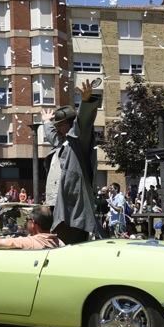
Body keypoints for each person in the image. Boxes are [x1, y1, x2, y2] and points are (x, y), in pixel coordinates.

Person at [42, 79, 103, 244]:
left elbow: (83, 122)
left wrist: (86, 102)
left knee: (70, 245)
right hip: (56, 203)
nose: (57, 129)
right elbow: (52, 136)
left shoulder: (78, 140)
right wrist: (47, 121)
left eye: (60, 125)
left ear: (69, 124)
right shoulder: (63, 143)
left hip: (72, 208)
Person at [0, 206, 64, 250]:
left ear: (33, 223)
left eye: (27, 219)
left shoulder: (28, 242)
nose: (25, 221)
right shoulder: (59, 242)